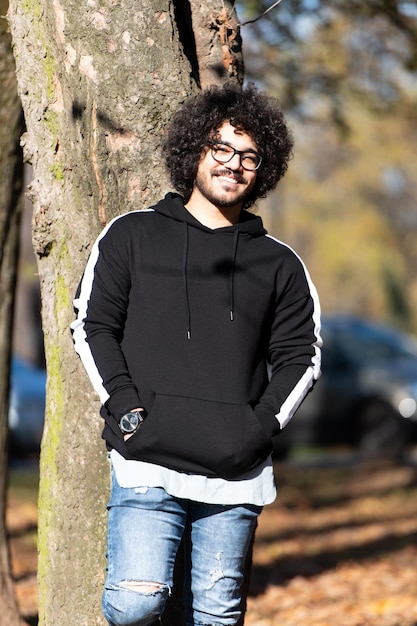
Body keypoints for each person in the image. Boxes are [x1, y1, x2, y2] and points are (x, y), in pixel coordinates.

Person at [71, 82, 322, 626]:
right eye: (222, 149)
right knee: (136, 605)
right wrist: (126, 408)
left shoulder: (279, 265)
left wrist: (256, 427)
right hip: (147, 459)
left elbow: (303, 354)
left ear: (265, 169)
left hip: (235, 473)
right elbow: (92, 327)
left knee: (213, 618)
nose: (234, 165)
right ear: (196, 152)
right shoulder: (131, 236)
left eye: (250, 156)